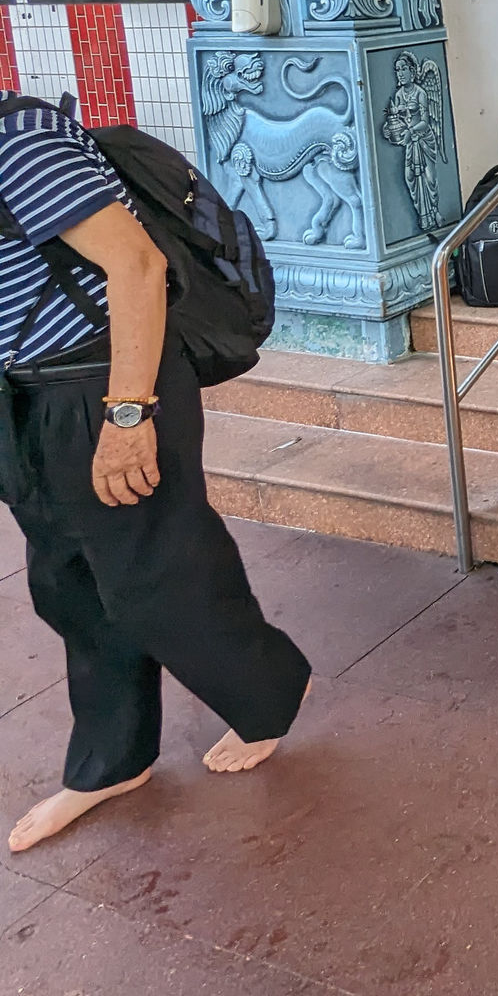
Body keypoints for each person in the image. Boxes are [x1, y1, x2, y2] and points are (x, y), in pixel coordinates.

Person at [0, 97, 311, 854]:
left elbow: (137, 265)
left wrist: (128, 419)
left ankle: (266, 696)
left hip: (104, 386)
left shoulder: (18, 145)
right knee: (68, 583)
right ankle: (112, 759)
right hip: (26, 393)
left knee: (156, 571)